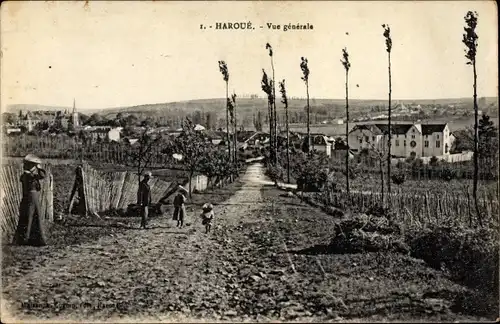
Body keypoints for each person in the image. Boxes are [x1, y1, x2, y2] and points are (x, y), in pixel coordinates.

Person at [12, 154, 48, 246]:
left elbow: (42, 175)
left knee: (33, 216)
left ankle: (30, 238)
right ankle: (26, 239)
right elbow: (39, 176)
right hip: (30, 197)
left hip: (32, 197)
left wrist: (38, 167)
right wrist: (37, 167)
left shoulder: (31, 174)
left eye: (33, 165)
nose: (32, 167)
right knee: (29, 216)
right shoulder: (27, 175)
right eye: (31, 165)